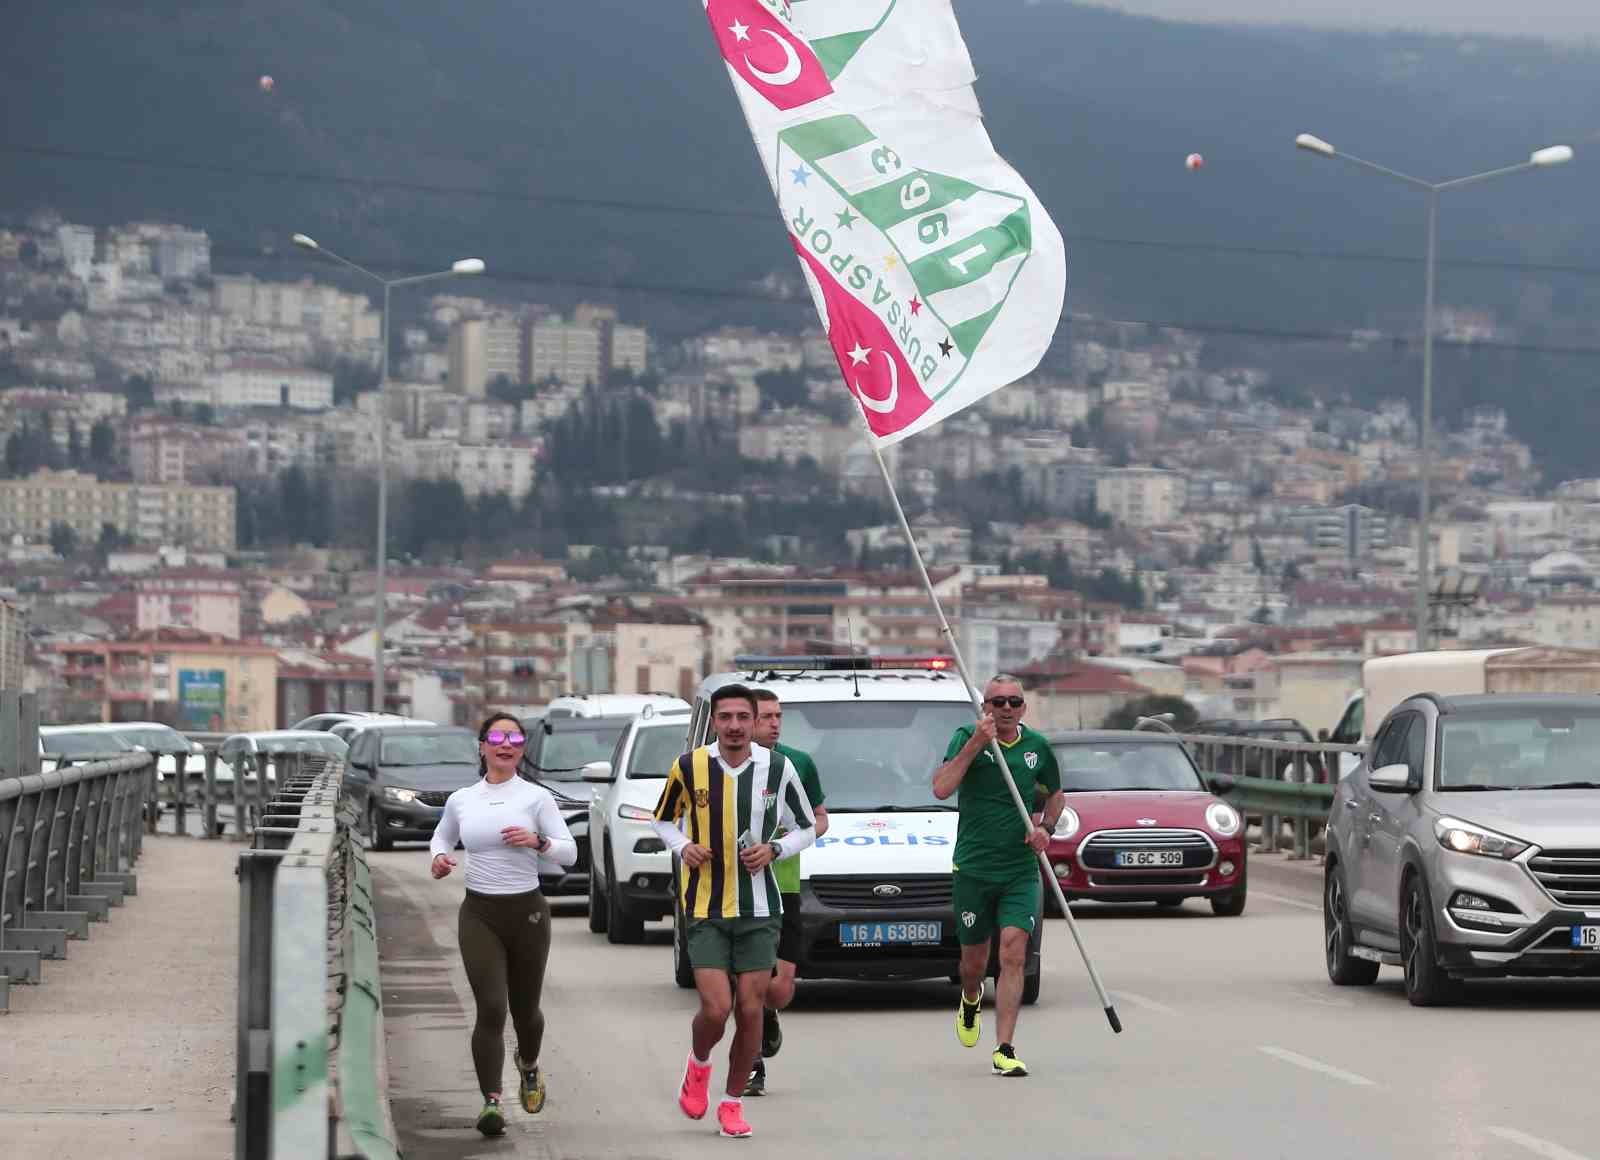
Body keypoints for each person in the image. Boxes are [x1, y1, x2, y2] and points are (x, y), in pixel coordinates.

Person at [651, 684, 817, 1139]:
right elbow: (663, 818)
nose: (735, 726)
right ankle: (699, 1064)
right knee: (716, 1007)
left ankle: (731, 1102)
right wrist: (684, 846)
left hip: (760, 908)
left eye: (744, 717)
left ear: (755, 720)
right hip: (704, 905)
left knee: (750, 1011)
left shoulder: (778, 768)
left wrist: (775, 848)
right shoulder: (690, 766)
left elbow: (808, 827)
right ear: (715, 722)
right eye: (726, 717)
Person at [430, 713, 577, 1137]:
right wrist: (438, 858)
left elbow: (568, 853)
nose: (505, 743)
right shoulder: (463, 799)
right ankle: (491, 1101)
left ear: (522, 749)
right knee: (491, 1008)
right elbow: (442, 837)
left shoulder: (536, 799)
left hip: (527, 913)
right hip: (480, 914)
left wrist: (539, 842)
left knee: (525, 1011)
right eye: (496, 736)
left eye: (514, 737)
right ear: (482, 747)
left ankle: (528, 1064)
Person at [931, 675, 1063, 1078]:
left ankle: (1004, 1048)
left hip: (1019, 869)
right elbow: (941, 788)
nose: (1005, 709)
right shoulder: (964, 737)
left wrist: (1046, 828)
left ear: (1023, 708)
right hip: (973, 867)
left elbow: (1056, 794)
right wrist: (976, 743)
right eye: (997, 702)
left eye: (1013, 702)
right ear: (985, 706)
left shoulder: (1037, 747)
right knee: (973, 962)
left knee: (1013, 951)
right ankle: (970, 998)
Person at [744, 688, 829, 1097]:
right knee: (750, 982)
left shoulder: (798, 763)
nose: (775, 723)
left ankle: (769, 1014)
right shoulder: (722, 764)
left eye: (779, 716)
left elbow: (819, 819)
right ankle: (752, 1063)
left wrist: (790, 837)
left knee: (779, 989)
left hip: (785, 884)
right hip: (740, 887)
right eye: (766, 717)